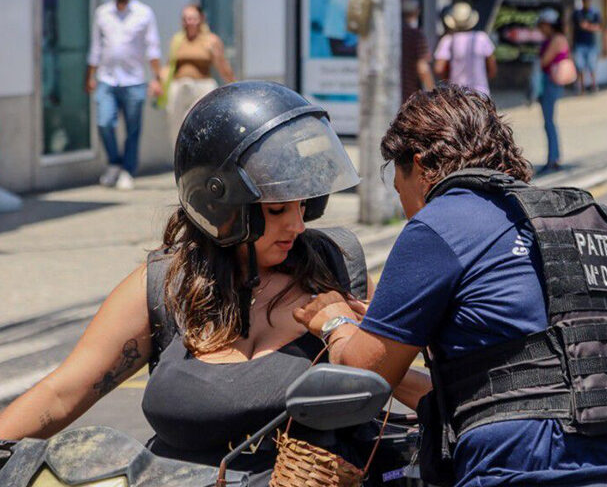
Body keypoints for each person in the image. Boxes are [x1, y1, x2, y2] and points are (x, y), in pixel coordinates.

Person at [0, 82, 420, 485]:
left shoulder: (338, 269)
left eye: (303, 205)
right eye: (277, 210)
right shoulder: (167, 284)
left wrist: (343, 331)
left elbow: (403, 375)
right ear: (218, 204)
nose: (296, 225)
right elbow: (61, 394)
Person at [292, 85, 607, 487]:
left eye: (400, 190)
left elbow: (362, 378)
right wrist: (389, 334)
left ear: (419, 165)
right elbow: (512, 390)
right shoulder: (587, 223)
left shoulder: (442, 222)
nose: (406, 210)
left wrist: (337, 324)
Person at [85, 0, 162, 190]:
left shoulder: (144, 13)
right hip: (107, 79)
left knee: (133, 129)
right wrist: (89, 76)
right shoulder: (102, 13)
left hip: (134, 80)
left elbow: (152, 47)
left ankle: (127, 170)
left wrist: (157, 78)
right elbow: (96, 47)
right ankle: (114, 163)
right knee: (104, 122)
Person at [163, 4, 235, 145]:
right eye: (185, 19)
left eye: (192, 18)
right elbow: (169, 65)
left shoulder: (211, 40)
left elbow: (222, 65)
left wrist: (233, 85)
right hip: (179, 86)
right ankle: (179, 154)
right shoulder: (177, 40)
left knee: (198, 123)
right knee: (176, 126)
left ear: (201, 19)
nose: (189, 22)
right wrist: (159, 82)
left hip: (202, 86)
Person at [433, 2, 496, 95]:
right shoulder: (482, 38)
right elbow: (492, 67)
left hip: (457, 94)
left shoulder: (448, 40)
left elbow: (439, 68)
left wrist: (448, 81)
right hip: (481, 93)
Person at [535, 8, 570, 174]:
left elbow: (544, 61)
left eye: (542, 25)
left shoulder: (557, 39)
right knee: (548, 122)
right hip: (548, 83)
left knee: (549, 123)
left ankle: (553, 159)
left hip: (550, 83)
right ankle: (553, 158)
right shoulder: (553, 38)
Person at [400, 0, 435, 103]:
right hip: (409, 97)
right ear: (416, 12)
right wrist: (434, 95)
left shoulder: (391, 34)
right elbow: (422, 68)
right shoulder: (416, 35)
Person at [571, 0, 602, 94]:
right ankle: (582, 87)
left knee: (592, 66)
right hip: (579, 44)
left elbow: (599, 27)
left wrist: (587, 26)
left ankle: (594, 86)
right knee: (580, 67)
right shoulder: (577, 13)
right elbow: (571, 28)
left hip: (591, 44)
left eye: (588, 0)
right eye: (585, 0)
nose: (586, 2)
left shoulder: (595, 12)